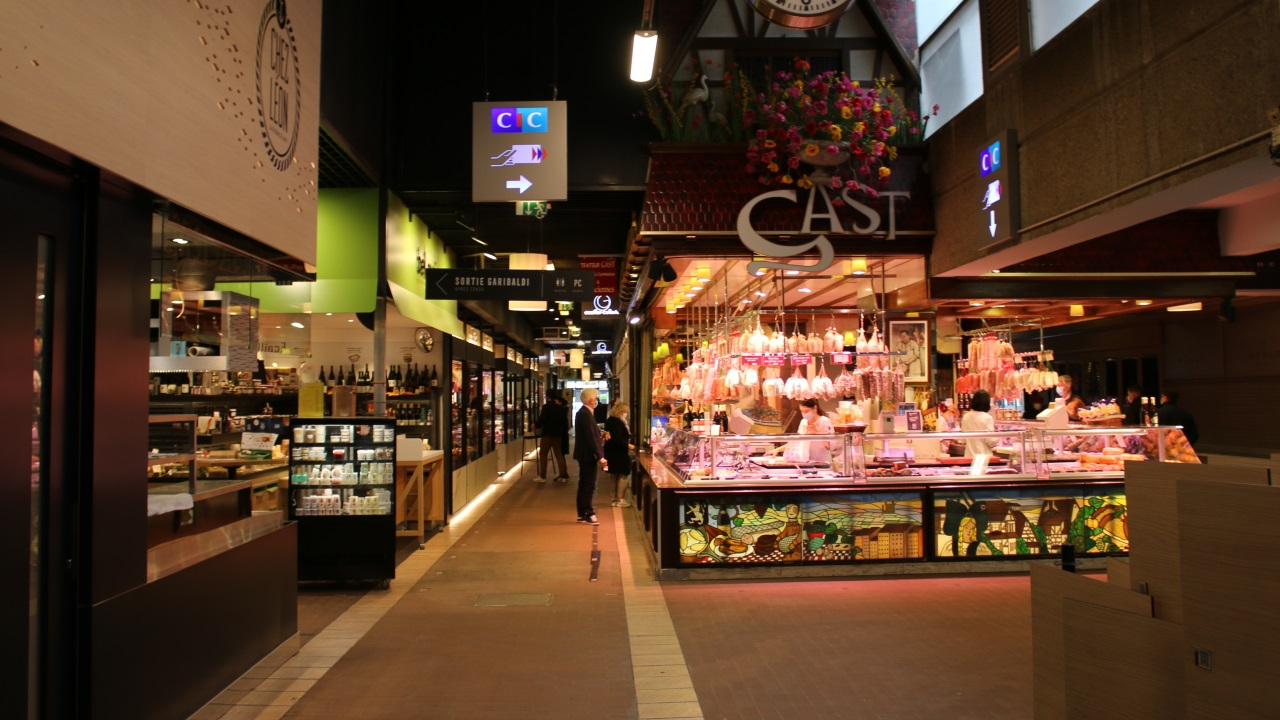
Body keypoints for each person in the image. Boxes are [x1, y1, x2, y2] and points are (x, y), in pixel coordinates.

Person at [573, 387, 608, 525]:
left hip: (585, 454)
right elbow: (590, 437)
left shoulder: (584, 413)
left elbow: (592, 435)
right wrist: (600, 456)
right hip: (587, 455)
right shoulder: (585, 414)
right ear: (591, 400)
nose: (597, 400)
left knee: (584, 483)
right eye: (596, 397)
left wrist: (600, 435)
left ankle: (582, 513)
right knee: (588, 484)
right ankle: (588, 512)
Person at [771, 399, 836, 464]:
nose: (804, 414)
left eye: (806, 411)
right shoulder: (803, 422)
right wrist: (778, 450)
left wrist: (816, 433)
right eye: (802, 411)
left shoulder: (825, 421)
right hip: (806, 462)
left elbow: (830, 446)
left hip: (822, 462)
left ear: (815, 408)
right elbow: (798, 442)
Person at [603, 402, 634, 508]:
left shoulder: (609, 420)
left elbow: (608, 436)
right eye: (625, 412)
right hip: (619, 452)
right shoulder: (618, 422)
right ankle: (620, 499)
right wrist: (628, 445)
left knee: (613, 475)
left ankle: (614, 499)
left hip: (610, 452)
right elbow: (617, 438)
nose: (626, 414)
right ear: (621, 411)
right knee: (622, 475)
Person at [534, 393, 568, 483]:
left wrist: (536, 425)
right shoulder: (560, 408)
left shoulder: (546, 407)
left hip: (547, 435)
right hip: (558, 435)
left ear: (548, 397)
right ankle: (563, 476)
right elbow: (565, 423)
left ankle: (543, 476)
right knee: (559, 455)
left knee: (543, 454)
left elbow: (542, 419)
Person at [961, 389, 995, 457]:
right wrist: (997, 438)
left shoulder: (966, 417)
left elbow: (963, 439)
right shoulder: (987, 418)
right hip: (983, 457)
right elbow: (991, 441)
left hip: (968, 456)